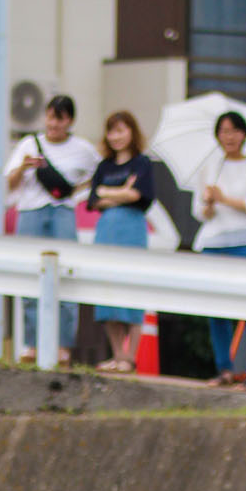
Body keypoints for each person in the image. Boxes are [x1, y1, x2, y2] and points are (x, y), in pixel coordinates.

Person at [4, 96, 99, 364]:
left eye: (60, 118)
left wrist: (75, 191)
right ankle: (32, 344)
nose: (54, 123)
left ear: (69, 121)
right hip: (31, 211)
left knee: (67, 275)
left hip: (62, 212)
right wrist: (23, 166)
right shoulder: (28, 144)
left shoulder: (82, 148)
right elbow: (10, 183)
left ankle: (63, 346)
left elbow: (98, 172)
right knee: (30, 275)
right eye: (50, 117)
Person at [191, 110, 246, 390]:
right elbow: (199, 213)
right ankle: (223, 369)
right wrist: (210, 204)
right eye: (224, 131)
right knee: (216, 311)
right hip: (213, 241)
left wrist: (225, 198)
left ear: (244, 134)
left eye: (234, 130)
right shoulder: (209, 167)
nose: (229, 136)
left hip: (245, 241)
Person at [87, 111, 155, 374]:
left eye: (121, 130)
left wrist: (109, 192)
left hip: (132, 229)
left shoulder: (142, 163)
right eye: (111, 131)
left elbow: (140, 195)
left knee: (131, 290)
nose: (116, 136)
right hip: (106, 229)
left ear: (132, 132)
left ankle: (130, 356)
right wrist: (121, 192)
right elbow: (93, 199)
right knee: (106, 293)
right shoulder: (104, 166)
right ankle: (117, 354)